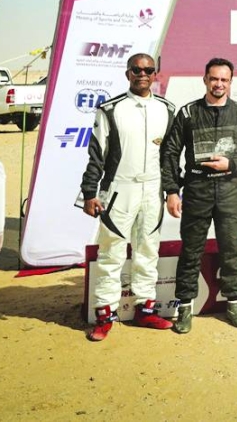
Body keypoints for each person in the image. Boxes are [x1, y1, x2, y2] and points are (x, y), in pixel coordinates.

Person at [161, 58, 237, 334]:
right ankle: (184, 307)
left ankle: (232, 303)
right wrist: (172, 190)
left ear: (231, 82)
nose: (219, 84)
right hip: (197, 190)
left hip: (229, 190)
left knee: (231, 249)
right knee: (191, 249)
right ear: (205, 79)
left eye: (224, 80)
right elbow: (170, 152)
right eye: (214, 79)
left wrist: (233, 163)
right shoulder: (188, 113)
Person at [79, 53, 176, 341]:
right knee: (111, 253)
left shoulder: (167, 109)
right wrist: (89, 193)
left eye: (148, 70)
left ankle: (145, 311)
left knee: (148, 251)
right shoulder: (109, 109)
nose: (142, 74)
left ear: (156, 74)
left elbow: (170, 157)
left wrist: (171, 190)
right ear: (128, 74)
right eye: (136, 70)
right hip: (119, 189)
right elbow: (96, 154)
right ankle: (104, 315)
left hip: (153, 188)